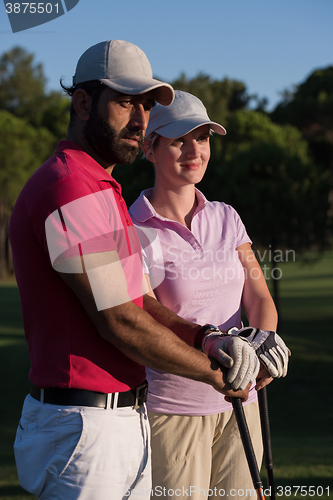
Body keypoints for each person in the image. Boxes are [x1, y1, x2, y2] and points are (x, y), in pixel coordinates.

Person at [9, 42, 258, 500]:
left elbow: (140, 300)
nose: (141, 119)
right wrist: (214, 372)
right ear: (83, 103)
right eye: (126, 103)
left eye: (146, 105)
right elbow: (118, 319)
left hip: (117, 421)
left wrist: (208, 338)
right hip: (82, 429)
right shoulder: (69, 187)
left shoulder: (101, 189)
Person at [129, 90, 291, 500]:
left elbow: (258, 297)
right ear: (151, 148)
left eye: (202, 138)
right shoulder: (134, 229)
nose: (194, 149)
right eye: (179, 139)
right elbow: (145, 319)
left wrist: (265, 341)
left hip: (241, 398)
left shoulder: (227, 217)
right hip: (172, 410)